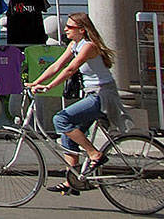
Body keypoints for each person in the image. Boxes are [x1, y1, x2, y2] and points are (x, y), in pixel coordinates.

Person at [27, 11, 124, 194]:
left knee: (61, 120)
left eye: (69, 27)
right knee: (67, 133)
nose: (65, 30)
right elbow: (57, 66)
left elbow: (71, 69)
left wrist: (49, 87)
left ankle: (95, 154)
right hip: (91, 94)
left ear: (81, 29)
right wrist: (36, 82)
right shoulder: (75, 44)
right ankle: (72, 181)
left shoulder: (89, 46)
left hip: (102, 95)